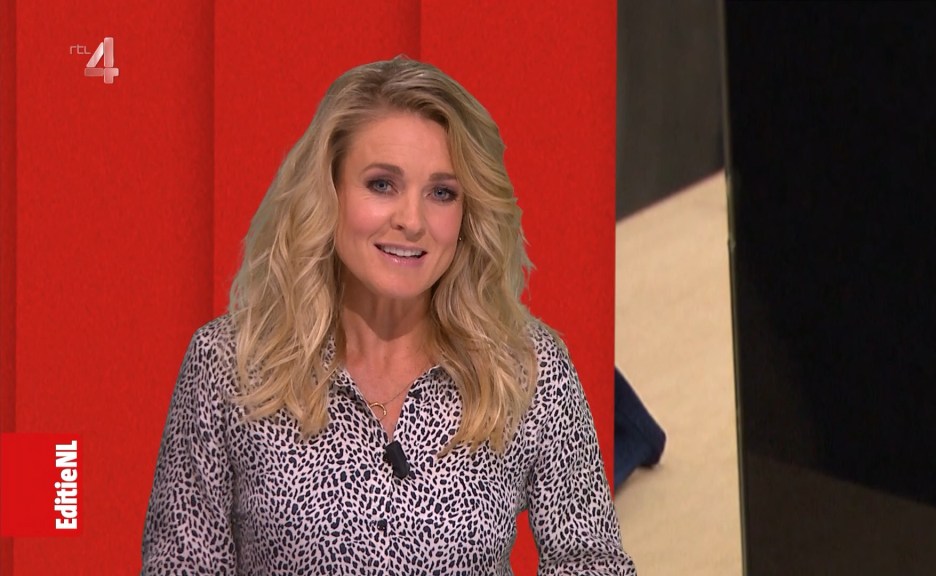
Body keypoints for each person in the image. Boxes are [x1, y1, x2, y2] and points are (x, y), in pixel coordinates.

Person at [141, 56, 635, 575]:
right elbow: (181, 565)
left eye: (441, 193)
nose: (412, 221)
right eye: (382, 185)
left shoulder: (526, 368)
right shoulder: (230, 362)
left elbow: (593, 559)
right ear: (328, 192)